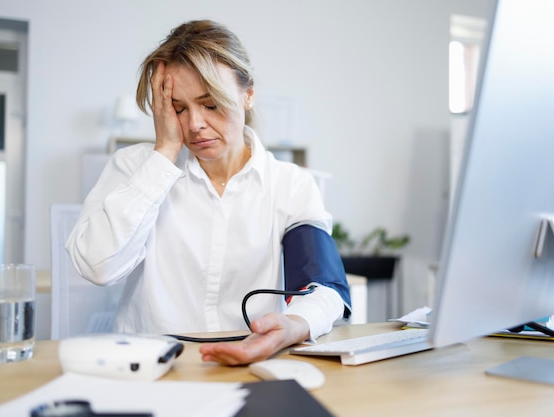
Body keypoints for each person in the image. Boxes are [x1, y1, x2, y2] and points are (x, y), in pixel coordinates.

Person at [66, 19, 351, 366]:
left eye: (211, 104)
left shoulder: (290, 185)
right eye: (179, 108)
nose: (195, 124)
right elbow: (99, 267)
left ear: (248, 94)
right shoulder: (134, 167)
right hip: (152, 368)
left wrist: (294, 326)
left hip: (251, 365)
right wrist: (166, 151)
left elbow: (323, 287)